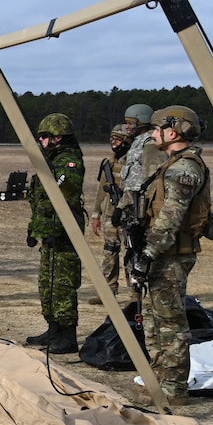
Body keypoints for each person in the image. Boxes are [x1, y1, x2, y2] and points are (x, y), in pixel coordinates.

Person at [136, 107, 211, 405]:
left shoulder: (183, 170)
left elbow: (170, 219)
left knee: (169, 321)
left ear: (174, 131)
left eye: (157, 129)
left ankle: (175, 388)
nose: (153, 133)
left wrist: (148, 253)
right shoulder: (173, 164)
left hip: (169, 254)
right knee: (153, 319)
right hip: (162, 252)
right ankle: (159, 380)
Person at [25, 112, 85, 354]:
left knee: (63, 285)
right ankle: (53, 328)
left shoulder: (68, 162)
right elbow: (40, 201)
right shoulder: (49, 161)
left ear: (58, 137)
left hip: (63, 235)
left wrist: (57, 230)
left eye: (45, 137)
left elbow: (65, 198)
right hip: (49, 233)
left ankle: (67, 336)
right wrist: (34, 230)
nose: (41, 141)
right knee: (47, 284)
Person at [89, 123, 135, 304]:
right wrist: (96, 215)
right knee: (109, 252)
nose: (114, 143)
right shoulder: (108, 163)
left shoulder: (134, 163)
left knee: (131, 253)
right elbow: (102, 189)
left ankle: (135, 295)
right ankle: (108, 293)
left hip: (129, 215)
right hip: (109, 215)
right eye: (112, 139)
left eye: (117, 139)